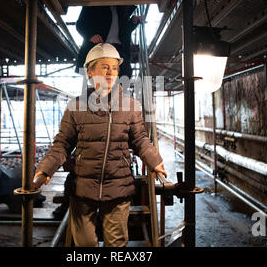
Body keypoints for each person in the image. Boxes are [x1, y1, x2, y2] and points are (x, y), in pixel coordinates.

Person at [34, 43, 167, 247]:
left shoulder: (130, 106)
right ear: (89, 71)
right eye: (104, 67)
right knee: (85, 244)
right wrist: (45, 169)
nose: (110, 73)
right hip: (82, 187)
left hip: (118, 186)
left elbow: (140, 139)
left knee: (116, 244)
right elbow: (62, 143)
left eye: (114, 68)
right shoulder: (75, 107)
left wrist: (155, 161)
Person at [74, 6, 143, 79]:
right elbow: (80, 25)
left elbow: (125, 31)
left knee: (125, 75)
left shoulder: (120, 8)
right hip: (100, 46)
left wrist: (133, 22)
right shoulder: (93, 6)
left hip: (119, 47)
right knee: (100, 76)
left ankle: (116, 89)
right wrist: (90, 36)